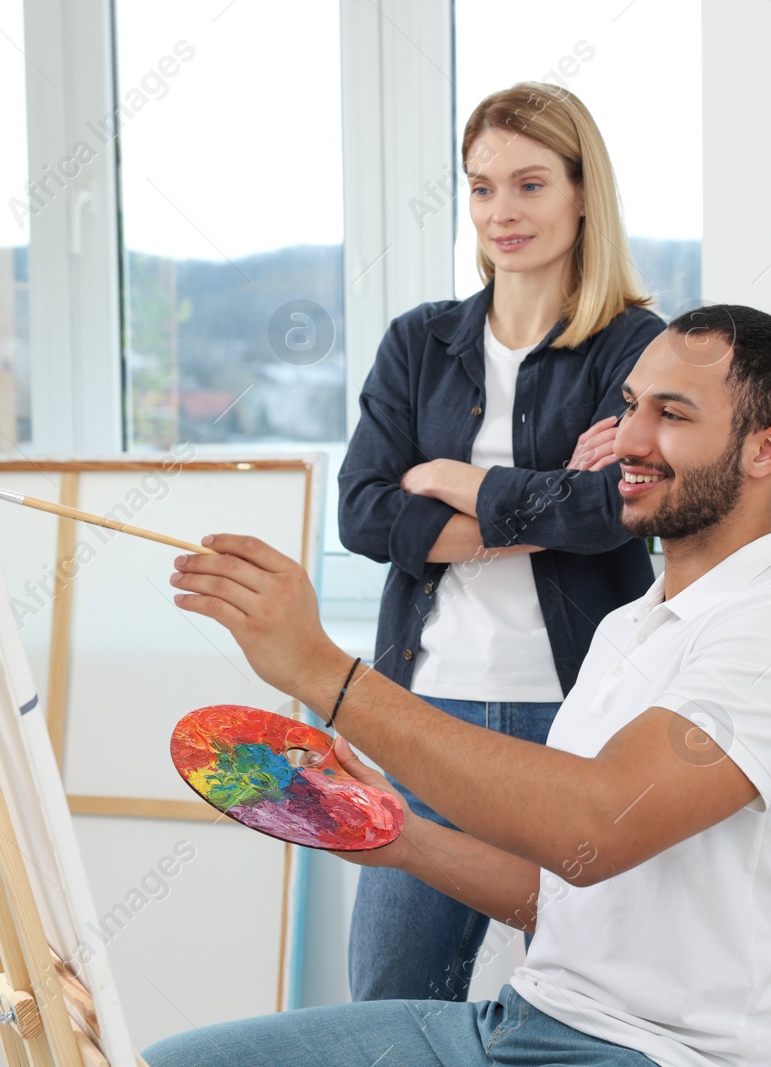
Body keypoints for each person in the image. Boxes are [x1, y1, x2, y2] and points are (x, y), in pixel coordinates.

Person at [150, 304, 771, 1067]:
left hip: (664, 1055)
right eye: (630, 404)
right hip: (522, 1025)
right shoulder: (628, 628)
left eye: (673, 415)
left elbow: (590, 831)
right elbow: (564, 896)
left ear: (765, 450)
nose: (628, 438)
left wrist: (325, 673)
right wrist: (401, 834)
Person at [335, 81, 665, 1002]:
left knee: (586, 1001)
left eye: (528, 185)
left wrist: (445, 478)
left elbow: (614, 507)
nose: (501, 213)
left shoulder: (637, 345)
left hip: (574, 718)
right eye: (481, 188)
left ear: (581, 191)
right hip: (426, 709)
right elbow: (361, 511)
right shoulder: (417, 342)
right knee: (391, 1006)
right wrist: (544, 504)